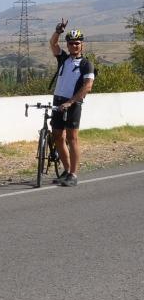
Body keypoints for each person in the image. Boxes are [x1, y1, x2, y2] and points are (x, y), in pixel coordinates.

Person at [48, 20, 95, 187]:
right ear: (67, 45)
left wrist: (71, 102)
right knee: (58, 137)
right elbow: (52, 43)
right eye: (71, 43)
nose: (74, 46)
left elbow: (88, 86)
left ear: (82, 45)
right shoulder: (63, 59)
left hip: (74, 103)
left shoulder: (86, 64)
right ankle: (67, 171)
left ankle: (73, 175)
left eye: (77, 43)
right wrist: (58, 31)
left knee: (72, 138)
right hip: (58, 100)